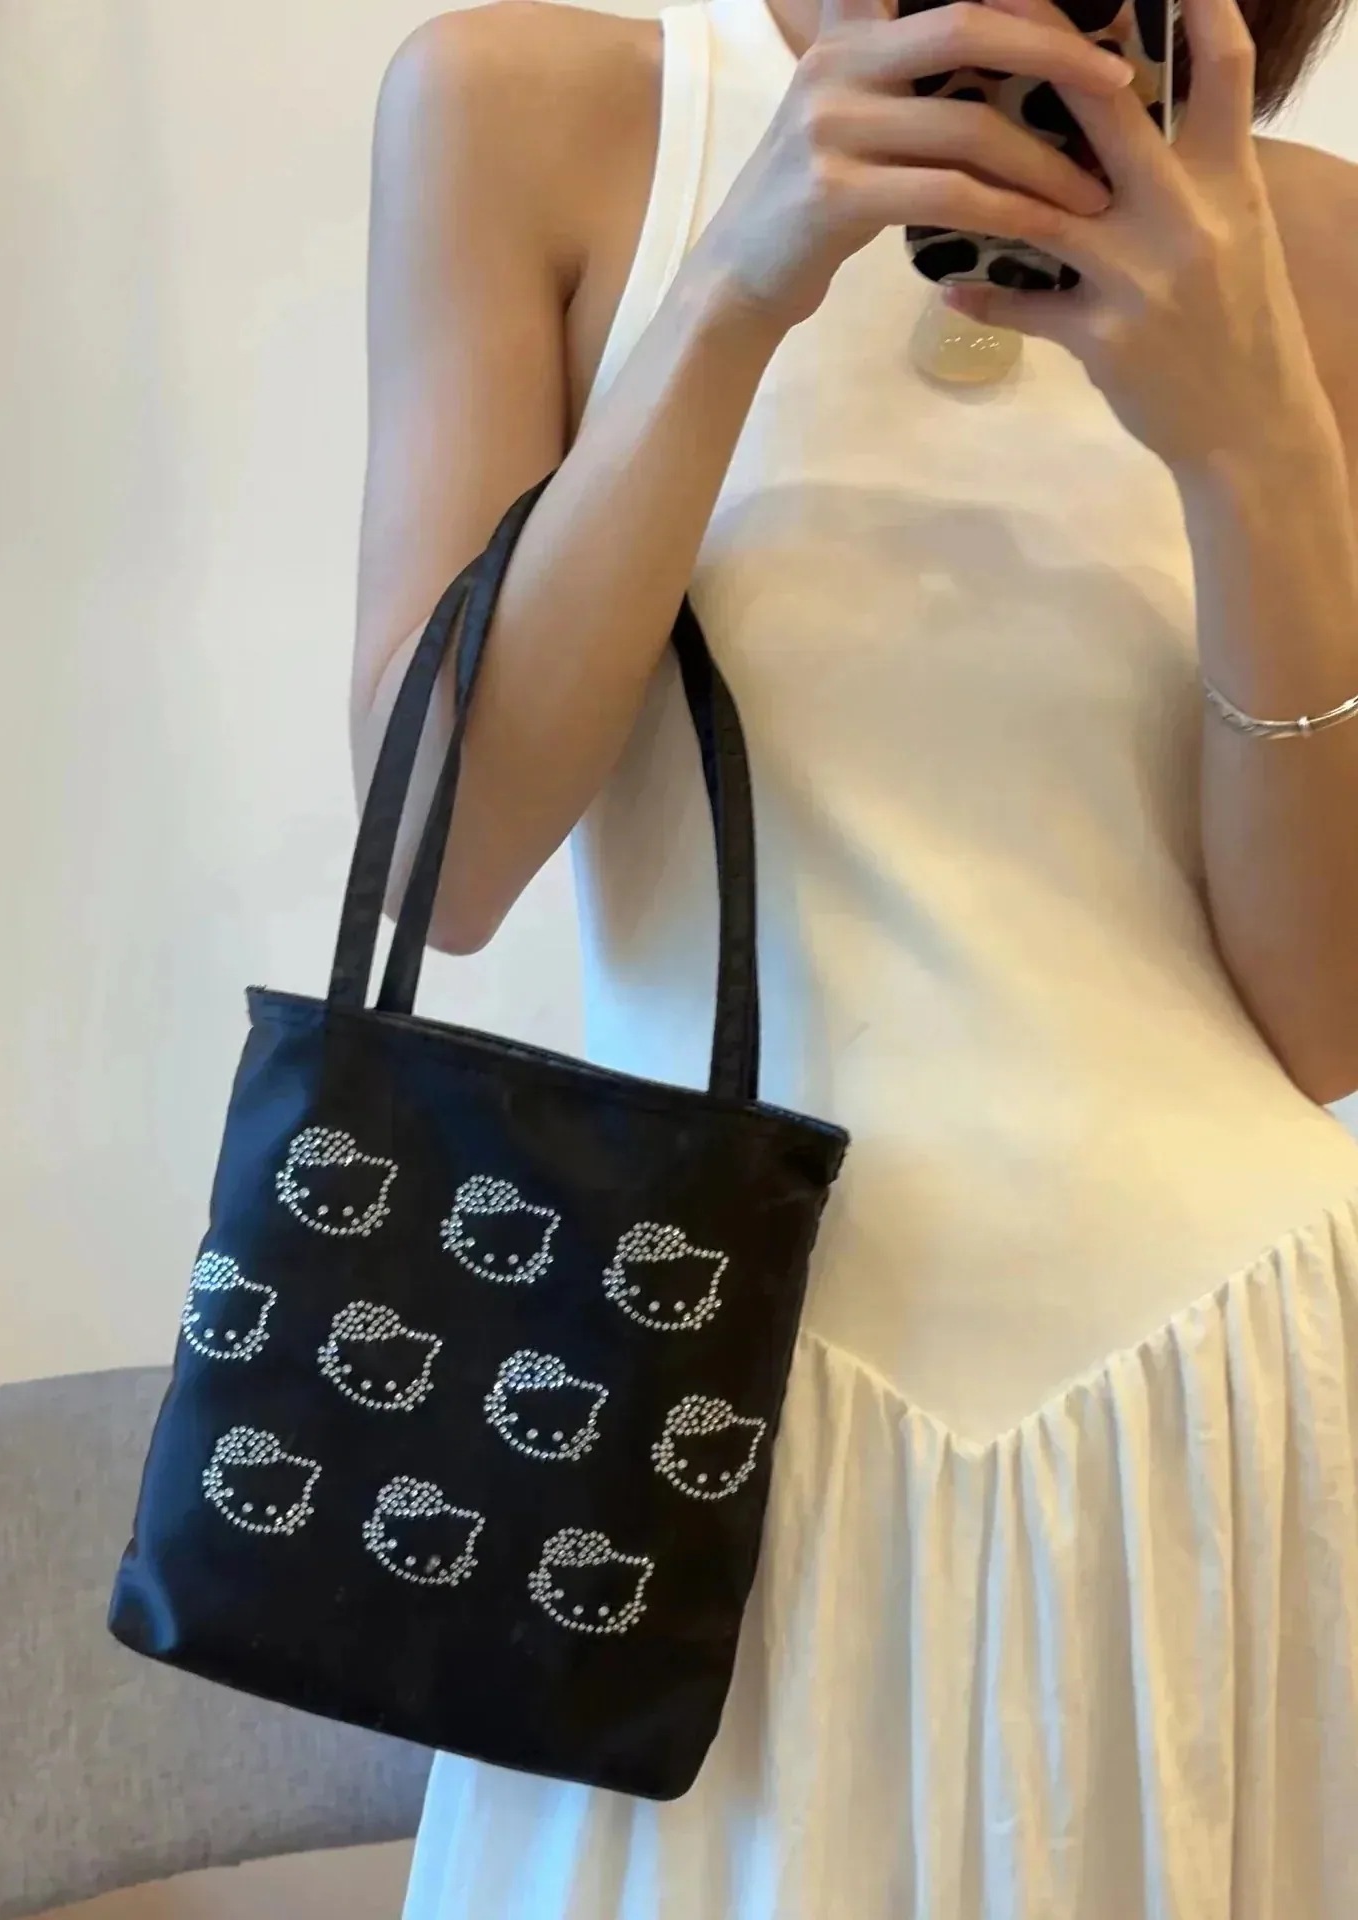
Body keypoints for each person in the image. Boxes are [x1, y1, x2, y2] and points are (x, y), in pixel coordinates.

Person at [351, 0, 1358, 1907]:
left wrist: (1253, 452)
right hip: (712, 1419)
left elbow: (1325, 1021)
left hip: (1225, 1427)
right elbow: (437, 862)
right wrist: (736, 284)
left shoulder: (1304, 237)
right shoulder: (536, 113)